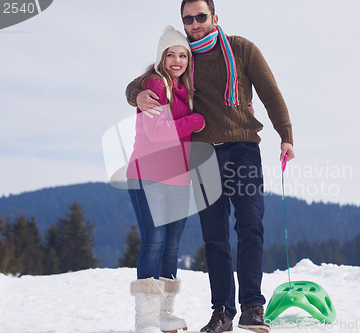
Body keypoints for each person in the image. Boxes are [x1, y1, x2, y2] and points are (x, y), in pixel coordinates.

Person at [126, 1, 295, 332]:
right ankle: (222, 312)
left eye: (200, 17)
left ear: (214, 18)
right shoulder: (181, 56)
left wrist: (285, 136)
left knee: (250, 225)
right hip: (202, 154)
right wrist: (135, 95)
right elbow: (146, 80)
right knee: (215, 236)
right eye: (188, 19)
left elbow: (270, 93)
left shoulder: (241, 49)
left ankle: (252, 308)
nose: (194, 24)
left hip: (243, 147)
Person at [127, 26, 205, 333]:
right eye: (170, 54)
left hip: (178, 178)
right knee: (155, 240)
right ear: (161, 58)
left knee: (172, 246)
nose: (177, 60)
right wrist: (194, 121)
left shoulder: (186, 89)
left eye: (182, 55)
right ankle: (146, 319)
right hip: (149, 174)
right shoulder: (155, 84)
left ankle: (164, 313)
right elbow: (157, 132)